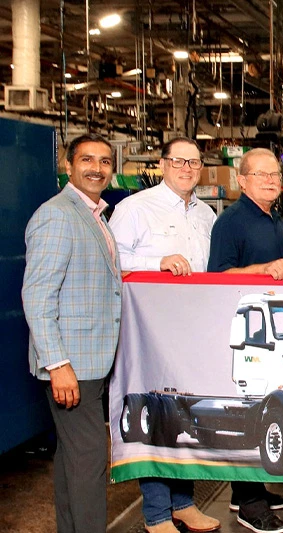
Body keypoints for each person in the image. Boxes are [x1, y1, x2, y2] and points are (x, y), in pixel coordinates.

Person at [109, 138, 220, 533]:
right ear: (162, 164)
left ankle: (183, 503)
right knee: (154, 416)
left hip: (191, 332)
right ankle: (156, 513)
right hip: (148, 334)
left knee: (186, 416)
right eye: (178, 161)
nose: (187, 168)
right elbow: (112, 259)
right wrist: (156, 262)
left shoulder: (206, 215)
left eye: (194, 162)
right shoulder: (135, 209)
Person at [22, 134, 123, 533]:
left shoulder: (95, 214)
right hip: (72, 363)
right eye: (87, 160)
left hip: (91, 360)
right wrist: (58, 363)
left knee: (73, 458)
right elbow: (37, 295)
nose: (96, 168)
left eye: (104, 161)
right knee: (90, 458)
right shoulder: (57, 215)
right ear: (68, 166)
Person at [208, 148, 283, 533]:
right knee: (248, 413)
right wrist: (261, 270)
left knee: (261, 411)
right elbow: (218, 276)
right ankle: (251, 504)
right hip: (245, 337)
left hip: (269, 334)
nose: (272, 180)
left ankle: (246, 491)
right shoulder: (231, 222)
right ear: (241, 180)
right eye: (261, 174)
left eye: (275, 174)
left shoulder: (273, 218)